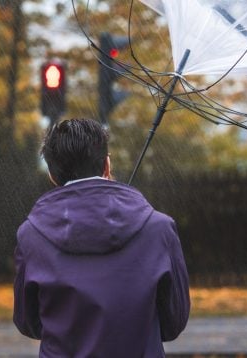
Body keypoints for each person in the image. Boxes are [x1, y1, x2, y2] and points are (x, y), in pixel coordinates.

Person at [13, 118, 190, 357]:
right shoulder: (159, 229)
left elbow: (29, 322)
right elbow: (173, 323)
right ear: (107, 165)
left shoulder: (31, 235)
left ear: (53, 176)